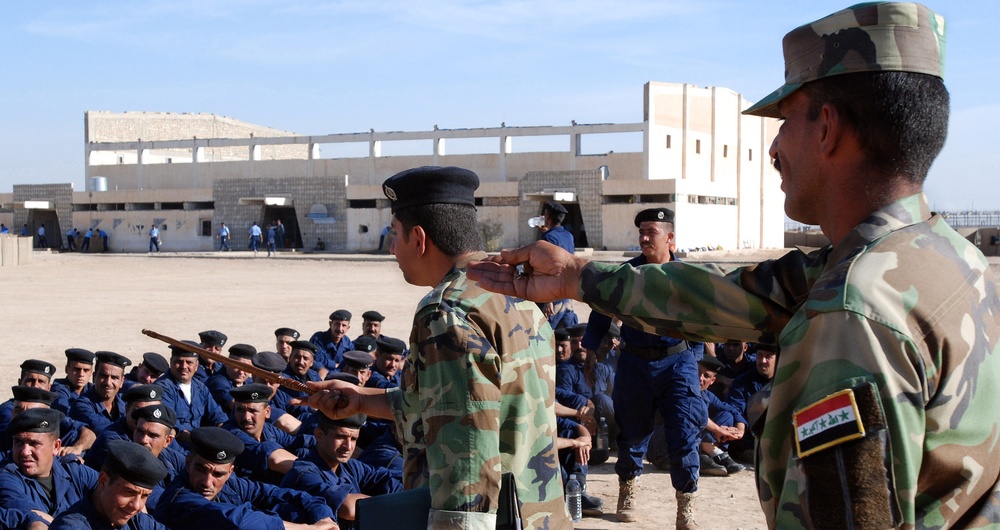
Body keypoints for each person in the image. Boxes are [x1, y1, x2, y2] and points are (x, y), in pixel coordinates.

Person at [467, 4, 1000, 528]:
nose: (773, 147)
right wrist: (578, 276)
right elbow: (731, 293)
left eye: (786, 120)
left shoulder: (854, 313)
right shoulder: (948, 256)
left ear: (827, 129)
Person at [299, 166, 569, 528]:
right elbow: (453, 403)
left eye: (395, 234)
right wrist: (361, 399)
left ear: (420, 239)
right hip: (538, 510)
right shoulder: (515, 293)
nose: (393, 248)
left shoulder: (445, 309)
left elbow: (468, 450)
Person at [579, 207, 705, 526]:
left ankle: (685, 505)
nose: (645, 238)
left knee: (683, 433)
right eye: (641, 233)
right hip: (634, 362)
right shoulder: (628, 274)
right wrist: (591, 351)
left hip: (677, 362)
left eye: (652, 232)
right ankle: (628, 491)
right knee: (632, 433)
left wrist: (697, 358)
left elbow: (706, 317)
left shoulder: (687, 278)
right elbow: (600, 309)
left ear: (670, 237)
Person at [153, 427, 336, 529]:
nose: (207, 482)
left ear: (230, 471)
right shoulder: (179, 498)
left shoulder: (231, 484)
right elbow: (238, 521)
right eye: (200, 469)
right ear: (188, 463)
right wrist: (309, 529)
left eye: (218, 474)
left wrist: (324, 518)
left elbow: (276, 493)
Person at [280, 413, 402, 525]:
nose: (348, 446)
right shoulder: (304, 473)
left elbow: (391, 480)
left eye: (353, 439)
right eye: (341, 437)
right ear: (319, 435)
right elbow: (349, 508)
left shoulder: (351, 467)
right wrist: (393, 505)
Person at [0, 408, 100, 523]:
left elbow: (108, 493)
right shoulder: (6, 477)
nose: (24, 452)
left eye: (34, 443)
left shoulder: (72, 470)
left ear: (56, 446)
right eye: (18, 442)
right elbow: (30, 516)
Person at [48, 439, 169, 530]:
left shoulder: (135, 519)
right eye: (129, 492)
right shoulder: (72, 526)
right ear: (103, 481)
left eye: (144, 496)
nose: (136, 506)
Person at [157, 341, 228, 445]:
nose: (184, 366)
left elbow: (216, 415)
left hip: (198, 445)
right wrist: (200, 442)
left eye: (189, 362)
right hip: (175, 446)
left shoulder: (200, 388)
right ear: (171, 362)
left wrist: (225, 432)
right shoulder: (163, 388)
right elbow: (171, 425)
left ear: (196, 365)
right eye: (179, 362)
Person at [693, 356, 746, 477]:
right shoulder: (681, 390)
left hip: (695, 442)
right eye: (697, 372)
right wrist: (718, 430)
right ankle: (713, 452)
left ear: (712, 381)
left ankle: (705, 454)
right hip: (665, 448)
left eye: (706, 376)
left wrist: (739, 430)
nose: (700, 378)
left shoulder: (707, 395)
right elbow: (694, 413)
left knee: (726, 415)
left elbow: (732, 410)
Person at [69, 351, 131, 436]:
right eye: (104, 376)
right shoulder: (81, 406)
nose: (108, 382)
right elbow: (106, 430)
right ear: (94, 377)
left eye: (114, 378)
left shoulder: (124, 404)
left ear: (122, 382)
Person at [537, 201, 577, 330]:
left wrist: (547, 299)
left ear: (547, 217)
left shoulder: (548, 238)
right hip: (566, 296)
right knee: (566, 336)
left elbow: (546, 269)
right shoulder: (568, 236)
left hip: (553, 300)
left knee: (545, 336)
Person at [50, 348, 96, 414]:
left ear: (91, 372)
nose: (81, 374)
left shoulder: (92, 390)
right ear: (67, 369)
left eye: (86, 370)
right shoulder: (58, 389)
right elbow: (65, 411)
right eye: (77, 369)